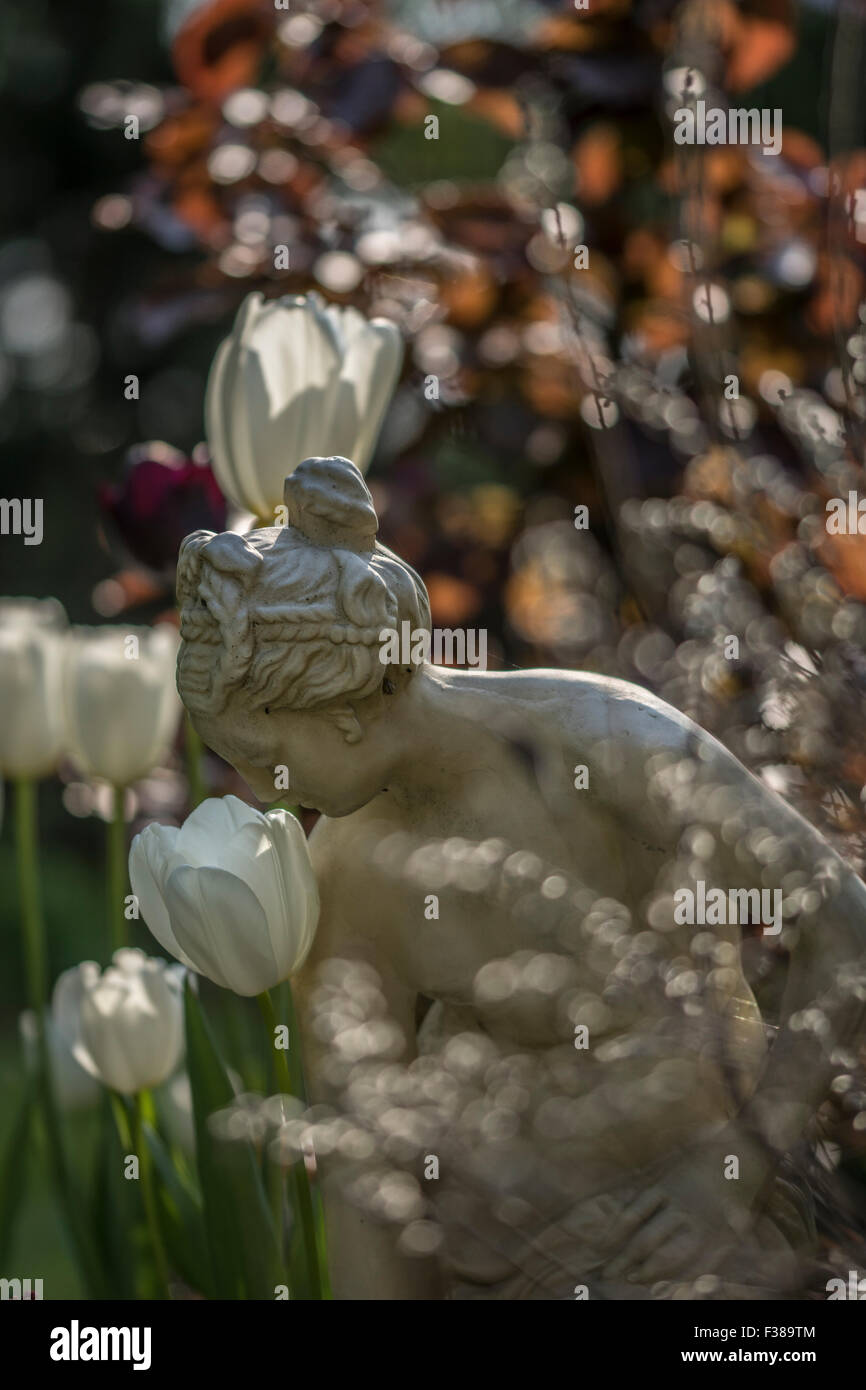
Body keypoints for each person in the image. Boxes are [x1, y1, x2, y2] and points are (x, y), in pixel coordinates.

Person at [176, 455, 865, 1299]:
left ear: (342, 704)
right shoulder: (349, 873)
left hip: (703, 1227)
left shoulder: (605, 742)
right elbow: (367, 1172)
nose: (259, 789)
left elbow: (845, 924)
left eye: (264, 756)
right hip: (501, 1255)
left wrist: (728, 1176)